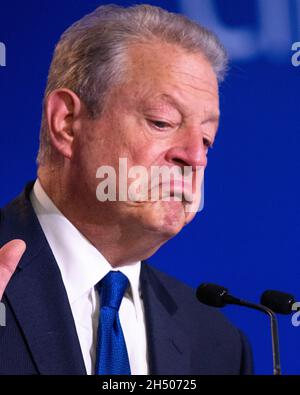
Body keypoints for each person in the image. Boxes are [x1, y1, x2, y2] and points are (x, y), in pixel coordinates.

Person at [0, 4, 253, 375]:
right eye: (162, 122)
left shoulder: (219, 345)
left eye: (207, 139)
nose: (195, 157)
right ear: (67, 123)